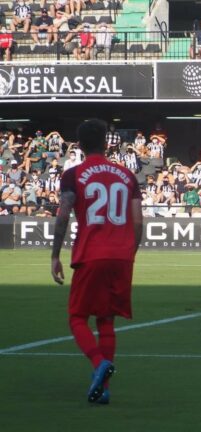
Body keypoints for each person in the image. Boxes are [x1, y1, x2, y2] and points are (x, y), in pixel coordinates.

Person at [50, 119, 143, 405]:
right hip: (121, 255)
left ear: (78, 145)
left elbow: (64, 214)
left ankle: (98, 363)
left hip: (91, 253)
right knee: (106, 320)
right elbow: (138, 220)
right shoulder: (127, 175)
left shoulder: (73, 174)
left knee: (77, 317)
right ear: (106, 142)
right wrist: (130, 251)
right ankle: (104, 389)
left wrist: (55, 255)